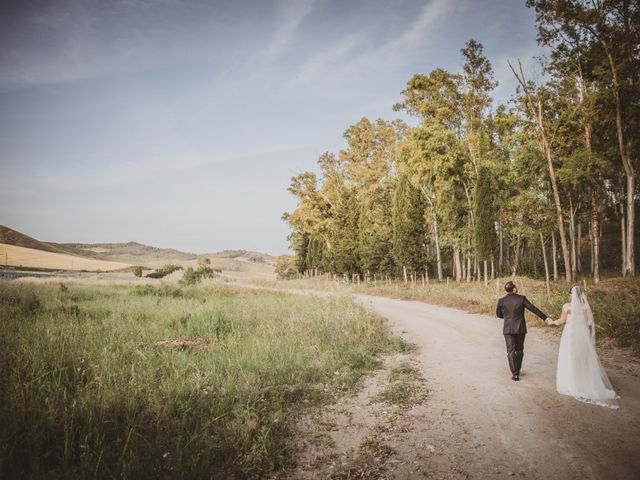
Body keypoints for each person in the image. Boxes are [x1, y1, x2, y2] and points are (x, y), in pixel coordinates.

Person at [550, 286, 620, 409]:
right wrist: (581, 327)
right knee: (583, 359)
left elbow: (561, 321)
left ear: (571, 295)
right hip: (582, 336)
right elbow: (590, 323)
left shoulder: (567, 307)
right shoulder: (585, 307)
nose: (569, 296)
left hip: (570, 336)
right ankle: (585, 380)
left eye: (570, 294)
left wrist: (551, 322)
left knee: (570, 357)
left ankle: (572, 382)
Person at [496, 281, 554, 381]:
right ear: (514, 289)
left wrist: (507, 317)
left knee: (510, 351)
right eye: (515, 287)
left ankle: (514, 374)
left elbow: (499, 315)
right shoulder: (521, 298)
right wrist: (545, 318)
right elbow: (533, 309)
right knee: (519, 350)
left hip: (507, 328)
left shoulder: (501, 301)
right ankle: (518, 370)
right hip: (520, 328)